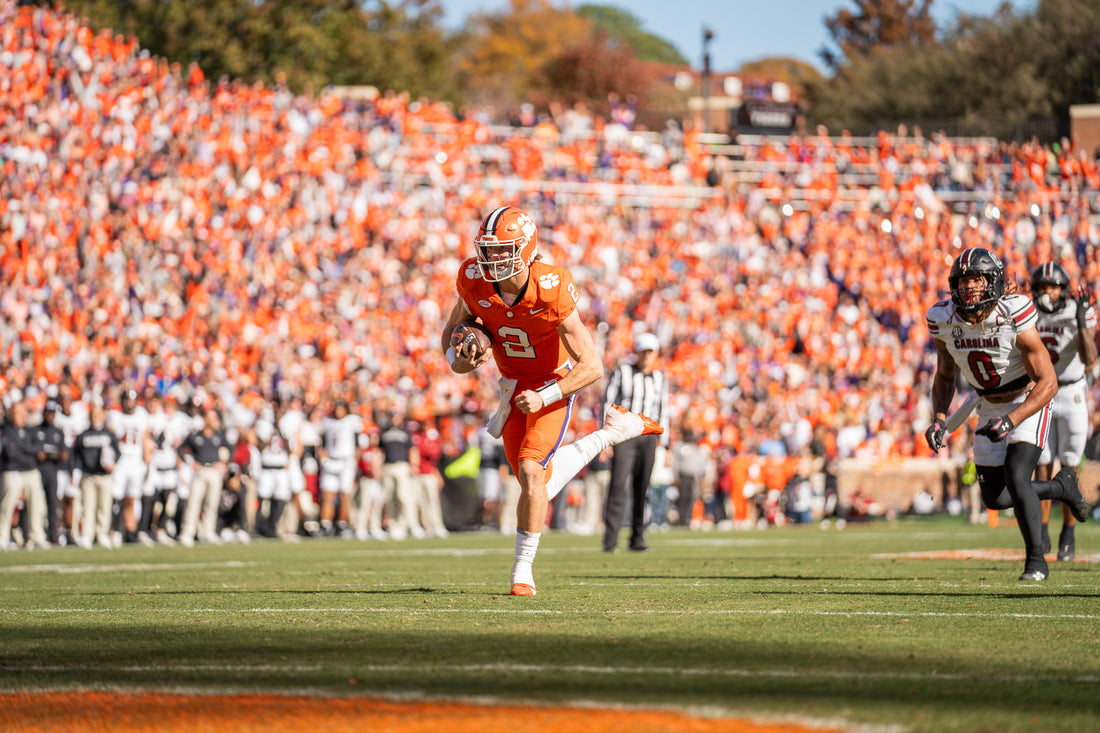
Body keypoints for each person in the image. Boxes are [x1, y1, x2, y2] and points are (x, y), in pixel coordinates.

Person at [441, 205, 661, 596]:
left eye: (501, 251)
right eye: (487, 250)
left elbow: (591, 365)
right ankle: (612, 433)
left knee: (530, 472)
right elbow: (451, 341)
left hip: (551, 383)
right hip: (512, 386)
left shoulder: (551, 286)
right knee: (536, 482)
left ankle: (522, 569)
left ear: (525, 250)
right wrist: (460, 359)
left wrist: (546, 395)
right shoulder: (472, 280)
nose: (491, 260)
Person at [924, 248, 1090, 581]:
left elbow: (1048, 381)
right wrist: (940, 418)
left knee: (1018, 475)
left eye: (977, 279)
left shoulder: (1014, 312)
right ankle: (1061, 487)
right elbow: (944, 376)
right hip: (986, 404)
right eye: (963, 280)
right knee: (997, 498)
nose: (970, 287)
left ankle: (1036, 562)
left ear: (994, 281)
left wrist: (1013, 420)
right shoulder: (943, 318)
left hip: (1027, 399)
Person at [1029, 262, 1097, 561]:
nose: (1047, 292)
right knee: (1042, 463)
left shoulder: (1077, 310)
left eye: (1052, 286)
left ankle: (1067, 533)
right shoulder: (1028, 312)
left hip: (1071, 390)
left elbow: (1090, 358)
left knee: (1070, 467)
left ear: (1063, 288)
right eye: (1041, 287)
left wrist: (1082, 323)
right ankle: (1042, 530)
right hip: (1043, 389)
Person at [600, 331, 671, 553]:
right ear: (637, 352)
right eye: (644, 352)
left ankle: (637, 539)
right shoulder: (622, 372)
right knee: (618, 486)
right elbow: (608, 403)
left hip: (648, 437)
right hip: (624, 435)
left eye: (651, 352)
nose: (647, 356)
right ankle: (611, 541)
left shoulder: (660, 377)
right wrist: (606, 437)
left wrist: (665, 443)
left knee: (642, 488)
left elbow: (664, 410)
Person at [176, 407, 232, 546]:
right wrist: (190, 462)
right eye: (211, 418)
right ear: (205, 419)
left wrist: (225, 463)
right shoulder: (195, 436)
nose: (214, 421)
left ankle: (208, 532)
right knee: (193, 502)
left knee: (212, 503)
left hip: (214, 471)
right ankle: (187, 532)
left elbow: (231, 449)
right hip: (200, 471)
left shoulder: (218, 436)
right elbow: (181, 449)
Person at [0, 397, 48, 550]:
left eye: (20, 411)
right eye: (14, 411)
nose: (17, 414)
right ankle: (2, 537)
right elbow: (10, 453)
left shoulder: (30, 430)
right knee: (6, 505)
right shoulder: (5, 430)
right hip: (12, 470)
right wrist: (27, 450)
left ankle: (37, 536)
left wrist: (20, 447)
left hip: (30, 471)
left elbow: (38, 450)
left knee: (37, 505)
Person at [72, 403, 121, 549]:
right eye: (93, 414)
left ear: (103, 416)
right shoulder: (83, 435)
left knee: (104, 506)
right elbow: (75, 454)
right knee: (88, 507)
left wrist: (113, 463)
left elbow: (117, 453)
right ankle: (87, 535)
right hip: (88, 475)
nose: (95, 417)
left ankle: (102, 534)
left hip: (105, 476)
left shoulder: (109, 434)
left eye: (98, 414)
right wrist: (75, 472)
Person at [34, 400, 68, 545]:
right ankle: (33, 533)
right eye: (48, 412)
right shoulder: (36, 430)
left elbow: (64, 453)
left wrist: (58, 454)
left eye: (52, 413)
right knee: (34, 503)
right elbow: (32, 450)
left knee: (52, 504)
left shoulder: (58, 432)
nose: (50, 416)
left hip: (52, 471)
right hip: (37, 471)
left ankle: (53, 534)